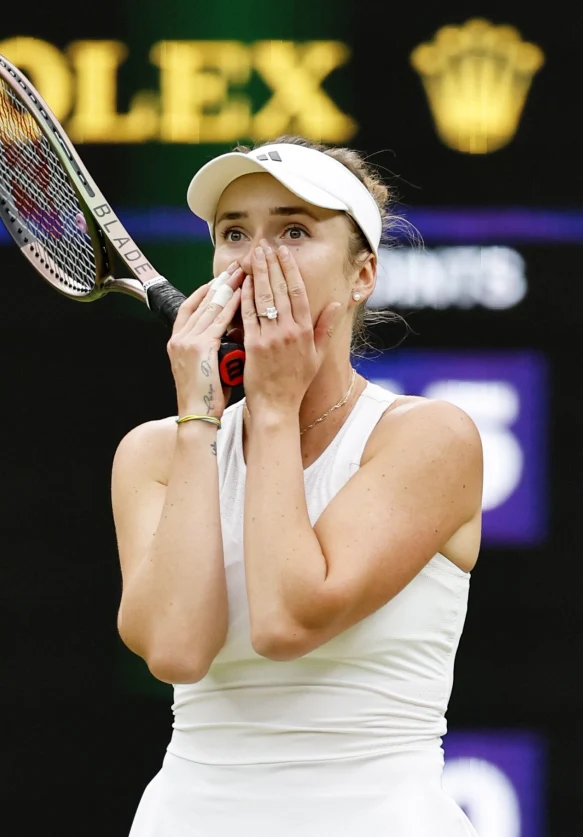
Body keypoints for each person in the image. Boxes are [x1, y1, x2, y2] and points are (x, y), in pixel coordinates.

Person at [110, 136, 484, 836]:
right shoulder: (152, 452)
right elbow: (178, 649)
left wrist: (274, 407)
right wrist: (201, 418)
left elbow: (288, 620)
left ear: (362, 274)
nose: (256, 258)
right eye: (233, 233)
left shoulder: (430, 437)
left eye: (293, 230)